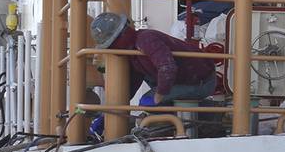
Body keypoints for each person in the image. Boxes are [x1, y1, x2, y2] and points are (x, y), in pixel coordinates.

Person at [90, 12, 218, 105]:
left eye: (110, 46)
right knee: (150, 103)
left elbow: (167, 67)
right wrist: (112, 111)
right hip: (189, 79)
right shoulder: (134, 52)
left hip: (201, 82)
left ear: (118, 40)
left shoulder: (146, 39)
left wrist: (159, 96)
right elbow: (134, 82)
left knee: (147, 101)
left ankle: (211, 114)